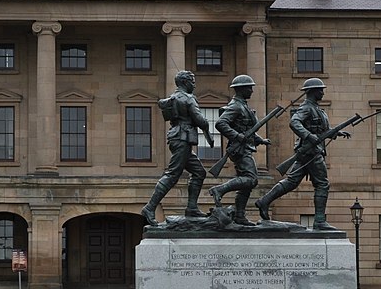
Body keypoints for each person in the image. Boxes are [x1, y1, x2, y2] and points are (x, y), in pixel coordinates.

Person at [254, 77, 348, 228]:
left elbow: (322, 131)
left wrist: (337, 133)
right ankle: (319, 221)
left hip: (311, 151)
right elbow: (294, 122)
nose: (323, 93)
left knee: (292, 181)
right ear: (312, 92)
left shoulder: (318, 110)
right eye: (320, 90)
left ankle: (264, 201)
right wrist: (309, 136)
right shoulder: (306, 108)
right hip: (310, 151)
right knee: (322, 184)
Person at [142, 70, 215, 225]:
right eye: (192, 81)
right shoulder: (188, 98)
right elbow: (199, 119)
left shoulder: (173, 98)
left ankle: (192, 208)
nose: (194, 85)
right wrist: (207, 125)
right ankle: (149, 207)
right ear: (185, 82)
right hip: (183, 138)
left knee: (199, 172)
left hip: (177, 137)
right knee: (173, 174)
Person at [209, 74, 269, 226]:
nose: (252, 90)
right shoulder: (235, 106)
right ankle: (220, 189)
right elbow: (221, 124)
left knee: (247, 184)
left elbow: (248, 129)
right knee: (251, 179)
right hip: (239, 149)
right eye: (249, 87)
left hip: (245, 147)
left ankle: (240, 216)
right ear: (241, 89)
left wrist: (259, 140)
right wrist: (237, 136)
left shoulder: (243, 106)